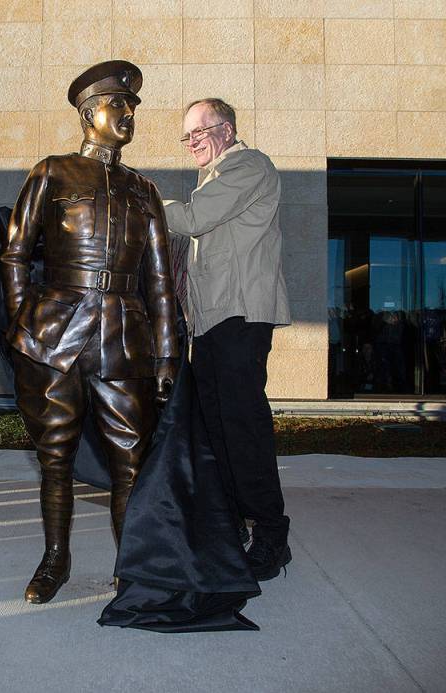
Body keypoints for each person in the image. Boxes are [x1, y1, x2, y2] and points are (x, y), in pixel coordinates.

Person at [0, 60, 179, 605]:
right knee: (55, 455)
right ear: (89, 112)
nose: (128, 115)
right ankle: (56, 559)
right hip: (55, 333)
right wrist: (22, 323)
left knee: (131, 457)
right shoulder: (51, 172)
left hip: (125, 336)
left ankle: (131, 567)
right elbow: (14, 254)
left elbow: (161, 281)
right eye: (118, 105)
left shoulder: (143, 189)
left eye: (132, 108)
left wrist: (167, 355)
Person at [162, 98, 292, 580]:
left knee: (242, 426)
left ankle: (272, 534)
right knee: (215, 429)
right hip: (210, 325)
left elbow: (194, 220)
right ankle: (235, 524)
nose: (194, 140)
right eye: (188, 135)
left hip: (240, 319)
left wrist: (138, 197)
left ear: (228, 128)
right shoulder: (212, 182)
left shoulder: (248, 165)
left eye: (201, 130)